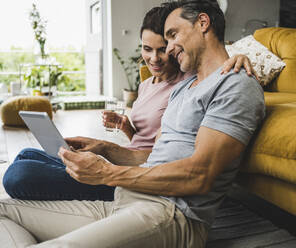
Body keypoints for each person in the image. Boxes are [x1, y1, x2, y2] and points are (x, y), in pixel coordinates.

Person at [0, 1, 265, 247]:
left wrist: (106, 173)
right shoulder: (182, 88)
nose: (169, 48)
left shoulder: (235, 84)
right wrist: (104, 148)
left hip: (171, 213)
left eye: (172, 35)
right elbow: (151, 157)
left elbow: (200, 175)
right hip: (125, 199)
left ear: (203, 22)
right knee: (3, 210)